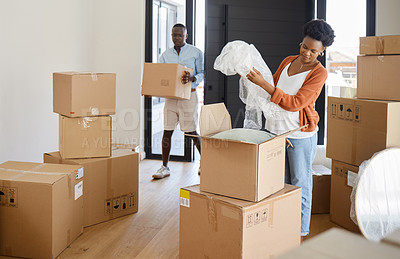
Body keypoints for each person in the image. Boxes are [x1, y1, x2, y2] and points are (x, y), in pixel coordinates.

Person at [246, 19, 335, 239]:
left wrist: (263, 83)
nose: (306, 53)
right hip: (275, 132)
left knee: (300, 185)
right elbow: (272, 90)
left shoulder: (319, 74)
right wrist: (252, 80)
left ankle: (300, 232)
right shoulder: (288, 61)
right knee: (279, 183)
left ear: (322, 51)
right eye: (304, 47)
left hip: (299, 135)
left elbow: (296, 102)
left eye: (313, 51)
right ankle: (282, 228)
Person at [152, 23, 204, 179]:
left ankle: (206, 162)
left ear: (186, 36)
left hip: (189, 96)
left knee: (191, 131)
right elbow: (159, 76)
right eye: (174, 35)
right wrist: (152, 91)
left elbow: (203, 73)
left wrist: (193, 78)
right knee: (167, 130)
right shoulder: (165, 56)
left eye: (180, 35)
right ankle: (164, 167)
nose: (177, 38)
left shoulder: (196, 52)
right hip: (171, 98)